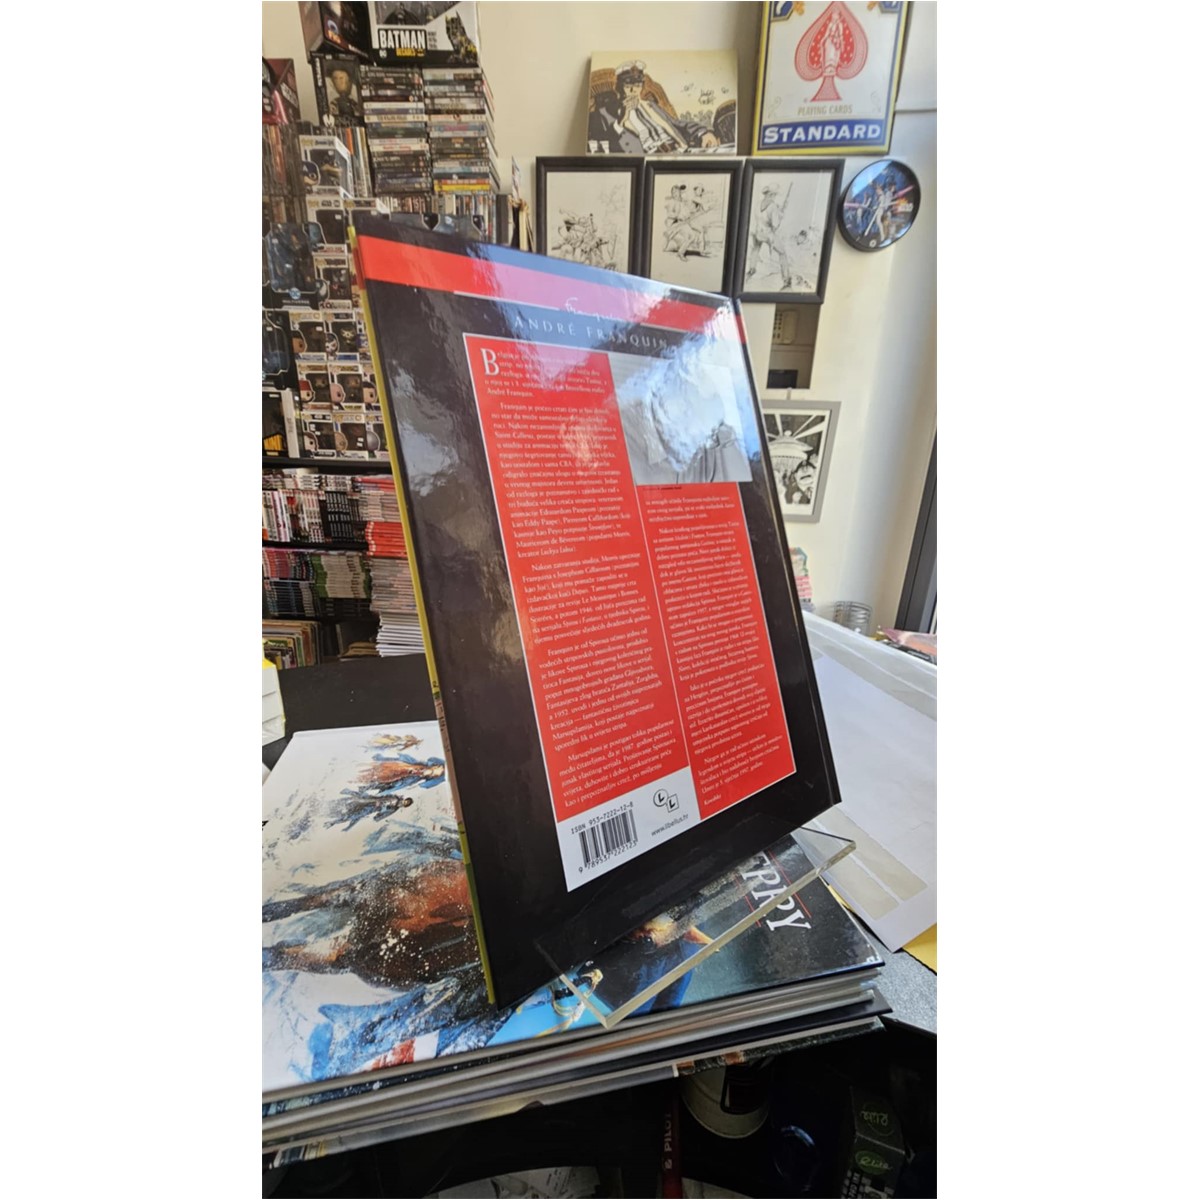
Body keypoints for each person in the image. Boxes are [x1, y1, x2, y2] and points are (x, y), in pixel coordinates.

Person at [589, 61, 720, 154]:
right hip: (650, 159)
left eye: (638, 85)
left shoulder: (651, 105)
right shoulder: (606, 112)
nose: (634, 91)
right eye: (628, 86)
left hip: (679, 150)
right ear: (619, 88)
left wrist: (703, 133)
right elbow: (605, 142)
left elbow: (677, 123)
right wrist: (622, 120)